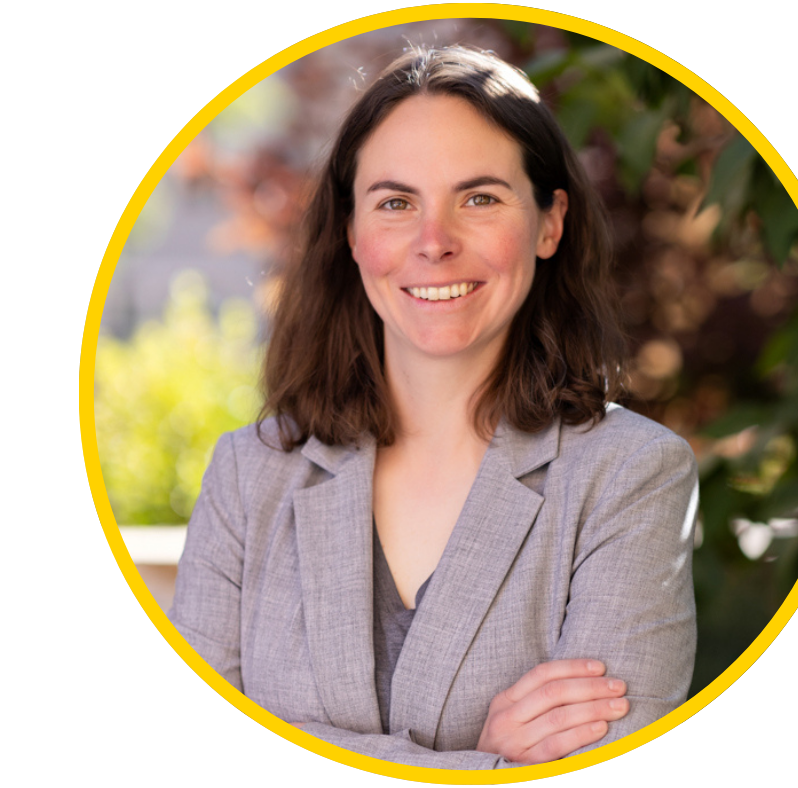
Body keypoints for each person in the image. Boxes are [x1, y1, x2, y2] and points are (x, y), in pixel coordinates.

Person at [169, 45, 698, 769]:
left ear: (549, 223)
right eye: (395, 203)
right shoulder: (249, 474)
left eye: (480, 198)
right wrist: (481, 764)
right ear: (353, 234)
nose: (434, 243)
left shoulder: (632, 477)